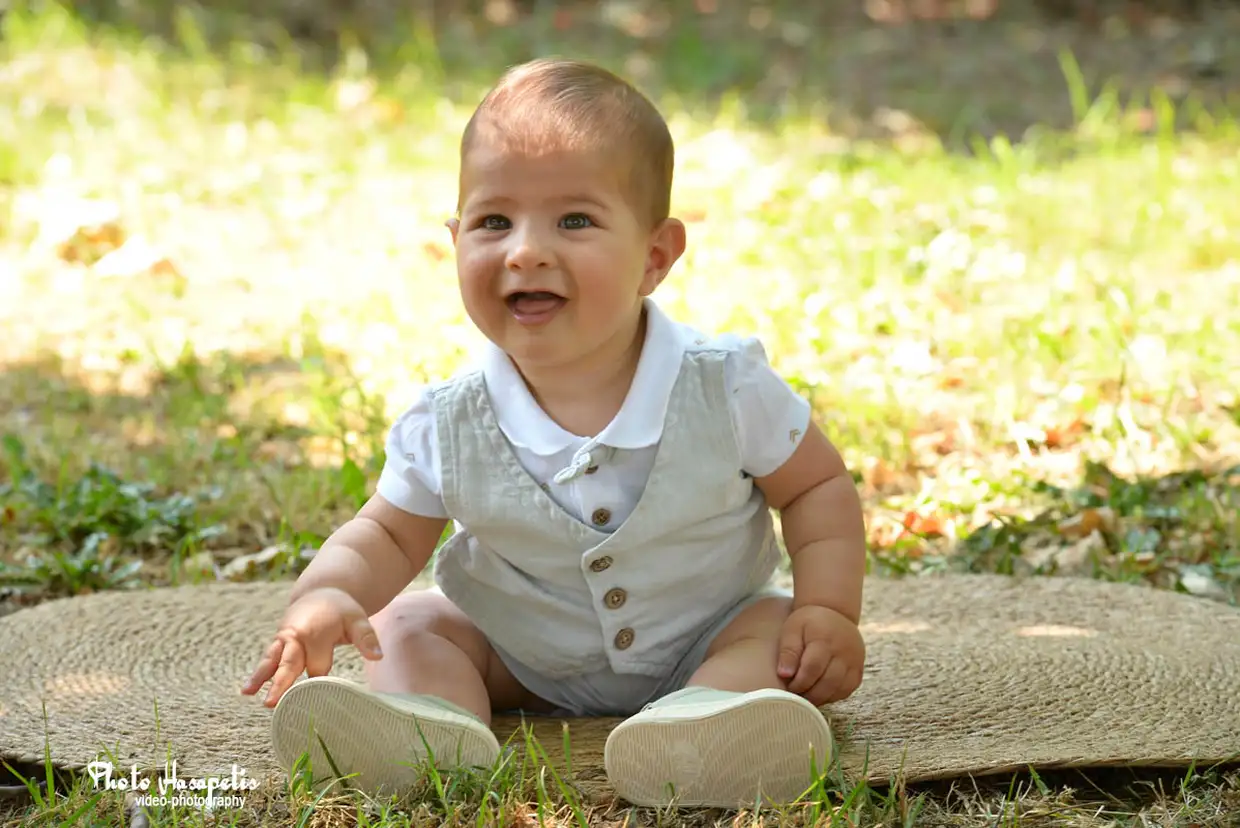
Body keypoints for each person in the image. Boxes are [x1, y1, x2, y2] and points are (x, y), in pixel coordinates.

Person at [241, 57, 867, 810]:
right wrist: (327, 592)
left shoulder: (722, 385)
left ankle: (709, 726)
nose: (525, 250)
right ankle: (429, 729)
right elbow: (386, 534)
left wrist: (827, 609)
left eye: (574, 220)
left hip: (708, 632)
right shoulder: (449, 418)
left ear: (655, 256)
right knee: (409, 622)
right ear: (456, 240)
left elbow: (817, 487)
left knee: (772, 632)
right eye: (493, 221)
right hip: (519, 653)